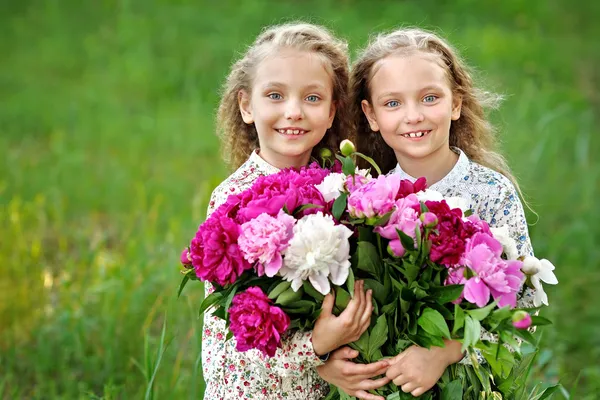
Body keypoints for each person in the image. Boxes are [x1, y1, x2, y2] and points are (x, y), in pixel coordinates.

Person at [202, 22, 388, 400]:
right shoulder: (232, 201)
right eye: (274, 95)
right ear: (246, 106)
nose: (293, 112)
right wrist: (315, 349)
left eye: (312, 98)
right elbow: (226, 352)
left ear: (334, 110)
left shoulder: (346, 188)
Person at [350, 27, 536, 397]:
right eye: (392, 103)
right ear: (370, 115)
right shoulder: (368, 201)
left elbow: (523, 314)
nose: (413, 116)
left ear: (456, 103)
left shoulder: (491, 193)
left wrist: (445, 352)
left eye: (430, 98)